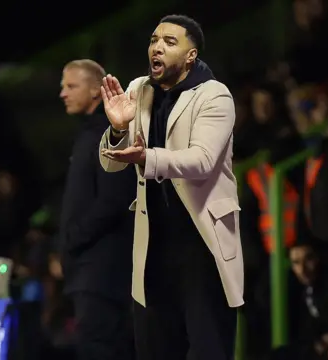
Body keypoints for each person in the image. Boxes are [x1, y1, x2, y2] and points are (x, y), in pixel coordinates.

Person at [98, 15, 243, 360]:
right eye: (153, 40)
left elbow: (202, 160)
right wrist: (118, 131)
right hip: (153, 247)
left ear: (191, 56)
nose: (157, 47)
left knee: (210, 350)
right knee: (155, 350)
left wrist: (148, 157)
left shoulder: (214, 96)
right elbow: (111, 162)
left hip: (202, 246)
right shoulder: (138, 90)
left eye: (169, 42)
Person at [58, 59, 136, 360]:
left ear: (95, 90)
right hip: (89, 273)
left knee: (101, 349)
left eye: (71, 86)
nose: (63, 93)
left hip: (101, 274)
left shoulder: (109, 134)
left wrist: (73, 238)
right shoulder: (87, 136)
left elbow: (113, 200)